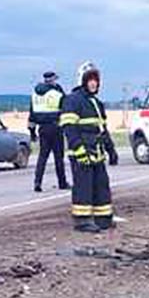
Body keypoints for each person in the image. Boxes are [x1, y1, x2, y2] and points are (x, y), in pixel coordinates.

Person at [60, 61, 118, 232]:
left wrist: (111, 150)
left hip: (97, 153)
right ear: (82, 81)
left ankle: (103, 219)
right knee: (83, 187)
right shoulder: (72, 101)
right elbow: (69, 129)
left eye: (96, 80)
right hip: (82, 153)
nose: (94, 83)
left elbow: (103, 129)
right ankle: (82, 221)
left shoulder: (96, 103)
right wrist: (79, 151)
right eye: (90, 80)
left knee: (101, 186)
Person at [28, 70, 68, 192]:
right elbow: (66, 108)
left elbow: (32, 114)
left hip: (42, 128)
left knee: (42, 157)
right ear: (52, 80)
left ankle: (37, 182)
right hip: (56, 127)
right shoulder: (57, 93)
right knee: (58, 157)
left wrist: (32, 132)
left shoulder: (35, 94)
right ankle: (62, 183)